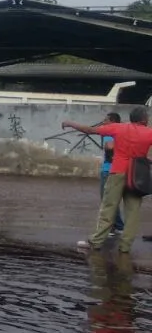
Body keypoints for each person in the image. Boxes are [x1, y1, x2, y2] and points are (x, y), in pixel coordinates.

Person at [63, 106, 152, 252]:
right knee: (133, 211)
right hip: (137, 175)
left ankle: (96, 242)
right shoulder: (149, 132)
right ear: (143, 119)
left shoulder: (118, 128)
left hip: (117, 172)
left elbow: (90, 130)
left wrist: (70, 123)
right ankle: (125, 247)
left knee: (109, 207)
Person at [100, 112, 126, 235]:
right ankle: (119, 225)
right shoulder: (122, 131)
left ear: (112, 121)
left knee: (107, 199)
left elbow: (110, 147)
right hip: (114, 169)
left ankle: (113, 227)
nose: (103, 122)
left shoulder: (110, 132)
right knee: (111, 199)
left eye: (106, 120)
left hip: (109, 170)